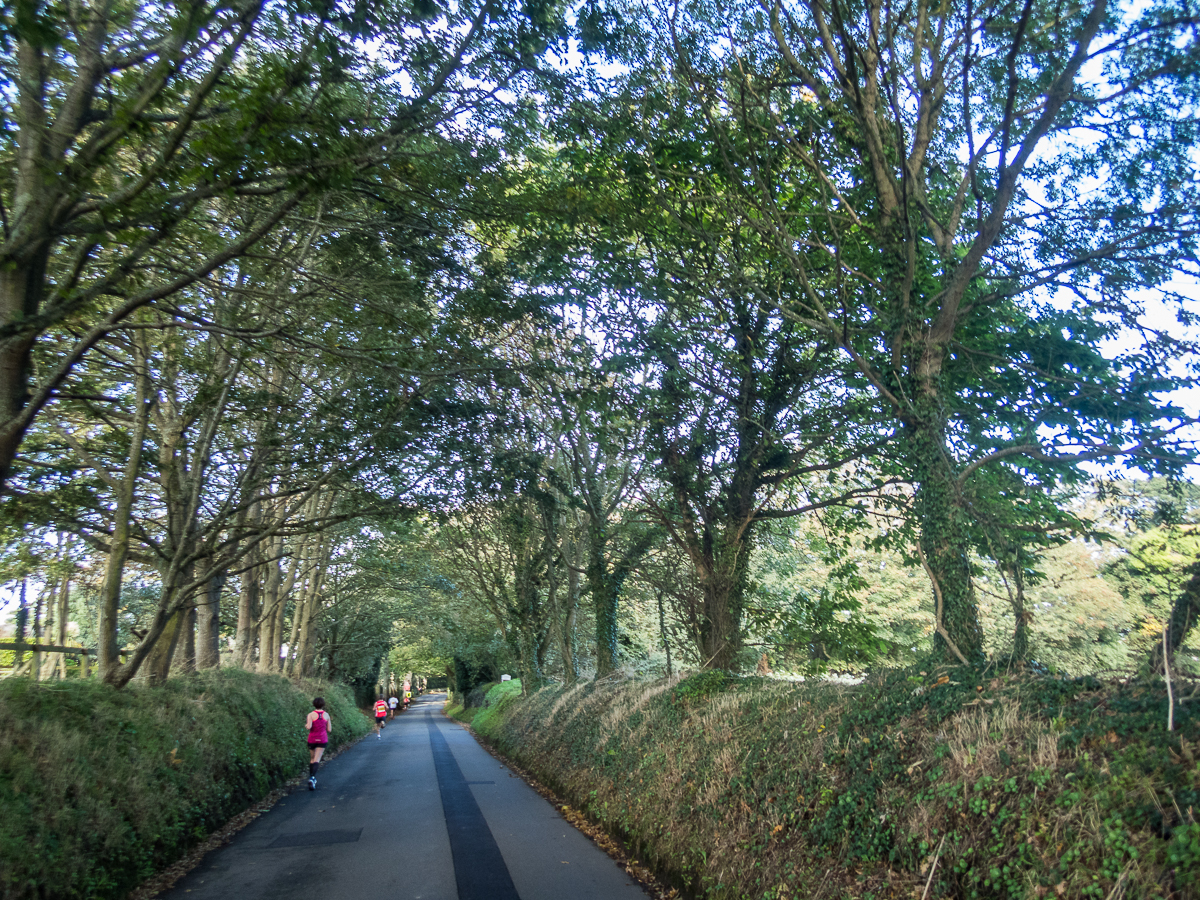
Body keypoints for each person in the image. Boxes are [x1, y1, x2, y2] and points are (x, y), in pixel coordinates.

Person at [305, 698, 330, 791]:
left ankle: (312, 778)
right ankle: (312, 778)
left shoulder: (310, 715)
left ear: (314, 704)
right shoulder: (326, 715)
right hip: (322, 739)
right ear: (323, 704)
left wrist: (306, 725)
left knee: (312, 758)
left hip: (312, 739)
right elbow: (329, 729)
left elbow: (309, 727)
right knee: (317, 759)